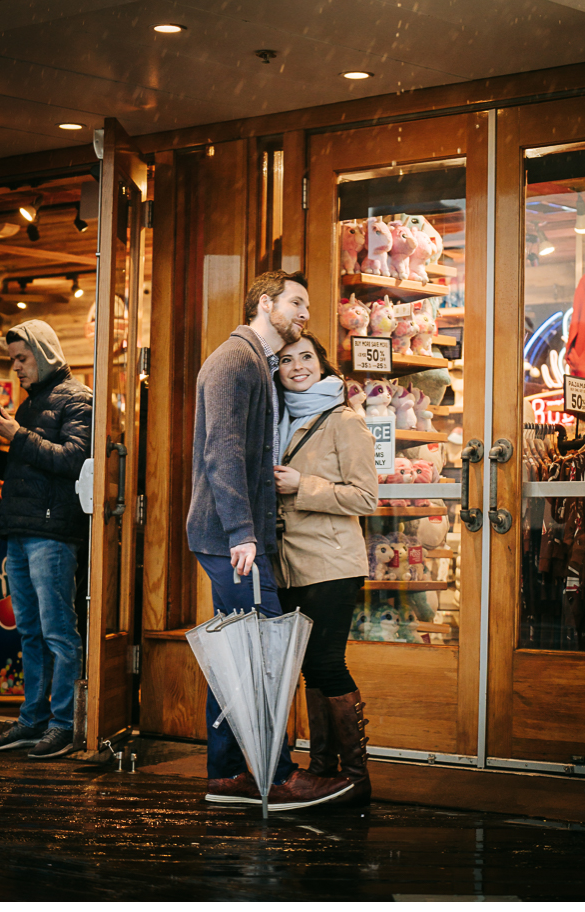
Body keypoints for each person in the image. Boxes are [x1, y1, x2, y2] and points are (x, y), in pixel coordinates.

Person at [186, 270, 353, 810]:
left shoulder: (256, 364)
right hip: (233, 537)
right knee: (259, 656)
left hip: (239, 536)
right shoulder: (235, 361)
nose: (305, 313)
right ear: (264, 303)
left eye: (307, 305)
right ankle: (277, 777)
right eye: (295, 302)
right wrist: (242, 532)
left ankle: (230, 773)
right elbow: (222, 453)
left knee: (237, 655)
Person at [0, 321, 92, 759]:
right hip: (20, 530)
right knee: (31, 633)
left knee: (58, 632)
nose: (16, 368)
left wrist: (17, 436)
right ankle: (32, 719)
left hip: (54, 534)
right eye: (13, 359)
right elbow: (26, 470)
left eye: (22, 358)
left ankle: (63, 724)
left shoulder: (78, 398)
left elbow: (75, 460)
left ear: (45, 352)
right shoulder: (30, 404)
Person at [273, 331, 378, 805]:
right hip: (292, 565)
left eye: (306, 357)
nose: (297, 366)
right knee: (310, 671)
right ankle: (321, 770)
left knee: (326, 664)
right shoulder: (279, 422)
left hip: (334, 562)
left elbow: (365, 497)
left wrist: (302, 484)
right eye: (287, 360)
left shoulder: (343, 421)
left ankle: (356, 776)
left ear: (322, 363)